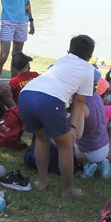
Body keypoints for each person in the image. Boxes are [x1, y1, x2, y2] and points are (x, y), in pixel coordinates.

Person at [18, 34, 96, 198]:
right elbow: (80, 101)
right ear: (89, 57)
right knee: (66, 144)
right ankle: (67, 190)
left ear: (69, 50)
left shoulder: (61, 60)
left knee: (42, 139)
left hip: (26, 95)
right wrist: (72, 127)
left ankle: (42, 182)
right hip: (48, 100)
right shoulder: (89, 69)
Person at [75, 76, 111, 179]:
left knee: (73, 146)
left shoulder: (83, 106)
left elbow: (77, 134)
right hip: (105, 148)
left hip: (88, 149)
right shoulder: (106, 107)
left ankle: (87, 165)